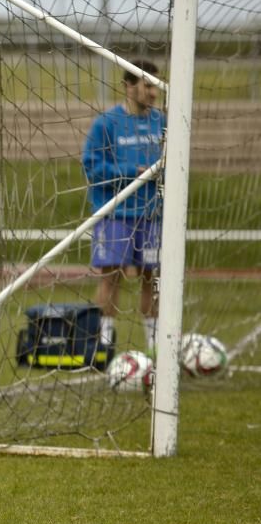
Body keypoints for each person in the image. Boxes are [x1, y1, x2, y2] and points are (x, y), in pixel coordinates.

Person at [82, 59, 165, 352]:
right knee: (111, 277)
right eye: (147, 84)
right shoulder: (106, 124)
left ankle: (155, 342)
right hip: (115, 214)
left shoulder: (162, 122)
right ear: (128, 86)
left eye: (156, 84)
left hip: (153, 215)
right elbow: (91, 169)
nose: (153, 92)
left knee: (152, 278)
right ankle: (104, 342)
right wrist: (132, 174)